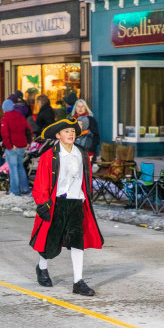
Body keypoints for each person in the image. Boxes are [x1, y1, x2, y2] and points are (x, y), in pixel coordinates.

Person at [29, 118, 104, 296]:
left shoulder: (82, 154)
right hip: (56, 203)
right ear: (58, 135)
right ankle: (42, 267)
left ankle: (78, 282)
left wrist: (86, 198)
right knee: (50, 241)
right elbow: (40, 182)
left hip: (76, 203)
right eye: (66, 132)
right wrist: (43, 203)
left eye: (72, 131)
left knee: (77, 242)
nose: (70, 134)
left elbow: (85, 180)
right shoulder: (50, 155)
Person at [1, 99, 32, 195]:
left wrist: (9, 146)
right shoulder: (20, 116)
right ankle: (25, 188)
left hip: (12, 147)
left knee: (13, 168)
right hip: (22, 145)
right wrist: (28, 142)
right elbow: (29, 129)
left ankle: (14, 190)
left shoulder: (5, 119)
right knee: (20, 167)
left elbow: (5, 135)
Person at [70, 99, 100, 163]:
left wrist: (91, 150)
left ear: (86, 108)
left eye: (82, 106)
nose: (80, 108)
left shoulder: (91, 120)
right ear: (75, 108)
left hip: (87, 151)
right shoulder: (71, 120)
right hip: (73, 151)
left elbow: (96, 137)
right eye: (78, 106)